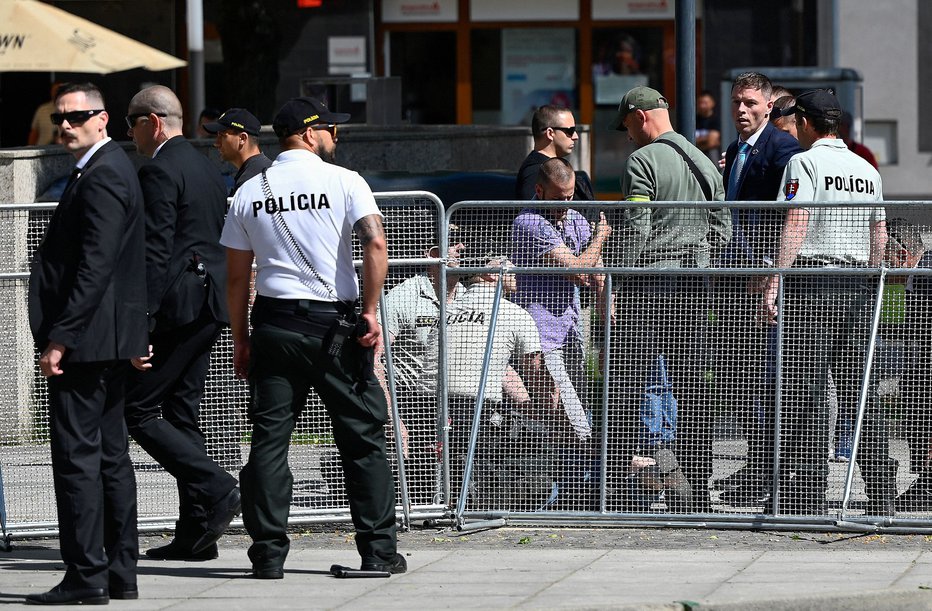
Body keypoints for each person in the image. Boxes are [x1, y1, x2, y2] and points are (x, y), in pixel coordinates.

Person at [222, 96, 404, 578]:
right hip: (333, 329)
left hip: (273, 325)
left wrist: (241, 337)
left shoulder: (248, 191)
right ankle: (379, 551)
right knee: (363, 437)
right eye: (328, 127)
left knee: (268, 440)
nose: (335, 135)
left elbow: (237, 278)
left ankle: (266, 555)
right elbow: (375, 242)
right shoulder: (344, 181)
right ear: (307, 133)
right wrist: (370, 311)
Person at [26, 82, 147, 605]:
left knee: (80, 459)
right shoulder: (104, 170)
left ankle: (86, 574)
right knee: (110, 457)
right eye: (60, 118)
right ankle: (117, 571)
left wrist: (61, 338)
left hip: (89, 342)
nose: (67, 126)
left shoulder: (103, 174)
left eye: (78, 116)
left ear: (104, 119)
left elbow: (96, 267)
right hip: (108, 339)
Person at [762, 88, 895, 516]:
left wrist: (775, 280)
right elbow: (880, 233)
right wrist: (873, 285)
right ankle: (881, 494)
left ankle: (808, 492)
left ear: (804, 122)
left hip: (813, 284)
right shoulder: (866, 170)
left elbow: (796, 222)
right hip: (857, 286)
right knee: (863, 393)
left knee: (810, 392)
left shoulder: (804, 163)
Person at [123, 85, 241, 561]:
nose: (126, 133)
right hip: (208, 307)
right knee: (181, 412)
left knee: (139, 410)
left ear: (152, 122)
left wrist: (141, 323)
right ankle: (197, 530)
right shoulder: (205, 167)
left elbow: (155, 252)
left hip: (179, 307)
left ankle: (216, 487)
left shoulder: (158, 168)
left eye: (130, 121)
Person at [608, 85, 731, 512]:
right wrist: (704, 258)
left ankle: (618, 488)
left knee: (626, 382)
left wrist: (616, 281)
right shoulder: (703, 160)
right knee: (694, 385)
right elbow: (723, 226)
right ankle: (698, 491)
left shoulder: (642, 160)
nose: (627, 135)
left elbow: (636, 226)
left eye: (626, 125)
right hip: (696, 284)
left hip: (650, 284)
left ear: (640, 117)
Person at [715, 72, 802, 508]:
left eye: (750, 102)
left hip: (764, 281)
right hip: (735, 279)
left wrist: (770, 269)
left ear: (769, 106)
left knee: (766, 379)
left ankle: (776, 471)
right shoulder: (735, 150)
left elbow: (790, 216)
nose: (742, 110)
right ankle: (759, 463)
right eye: (736, 102)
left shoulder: (784, 150)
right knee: (740, 379)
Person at [511, 158, 612, 509]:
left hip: (571, 332)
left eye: (570, 197)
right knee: (568, 418)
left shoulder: (572, 219)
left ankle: (573, 490)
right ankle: (570, 490)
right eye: (558, 197)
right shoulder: (529, 222)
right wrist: (600, 237)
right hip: (541, 338)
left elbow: (595, 269)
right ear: (539, 191)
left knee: (575, 412)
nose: (565, 205)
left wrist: (604, 298)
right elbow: (577, 270)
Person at [417, 257, 544, 506]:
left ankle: (447, 496)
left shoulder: (446, 310)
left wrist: (527, 403)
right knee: (523, 438)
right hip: (475, 407)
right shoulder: (514, 313)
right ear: (489, 273)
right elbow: (537, 371)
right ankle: (479, 502)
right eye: (507, 264)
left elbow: (501, 370)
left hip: (426, 403)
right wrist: (546, 412)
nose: (515, 269)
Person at [883, 219, 931, 511]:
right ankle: (925, 476)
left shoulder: (925, 274)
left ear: (900, 253)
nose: (877, 264)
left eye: (882, 255)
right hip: (924, 357)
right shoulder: (919, 274)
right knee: (914, 385)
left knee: (919, 388)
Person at [515, 105, 595, 201]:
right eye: (570, 131)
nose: (575, 136)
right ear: (550, 133)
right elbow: (530, 214)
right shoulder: (535, 173)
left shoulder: (542, 169)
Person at [202, 107, 273, 195]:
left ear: (242, 138)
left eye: (222, 136)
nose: (216, 143)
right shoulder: (264, 171)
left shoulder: (250, 181)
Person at [28, 82, 61, 146]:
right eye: (54, 90)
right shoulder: (42, 109)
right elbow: (34, 133)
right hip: (42, 150)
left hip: (62, 152)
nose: (56, 93)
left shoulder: (70, 110)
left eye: (58, 90)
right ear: (51, 92)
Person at [695, 90, 721, 163]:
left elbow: (711, 142)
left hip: (712, 160)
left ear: (712, 103)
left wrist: (697, 141)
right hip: (697, 159)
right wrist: (705, 139)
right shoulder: (694, 120)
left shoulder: (715, 120)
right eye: (700, 103)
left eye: (705, 103)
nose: (702, 106)